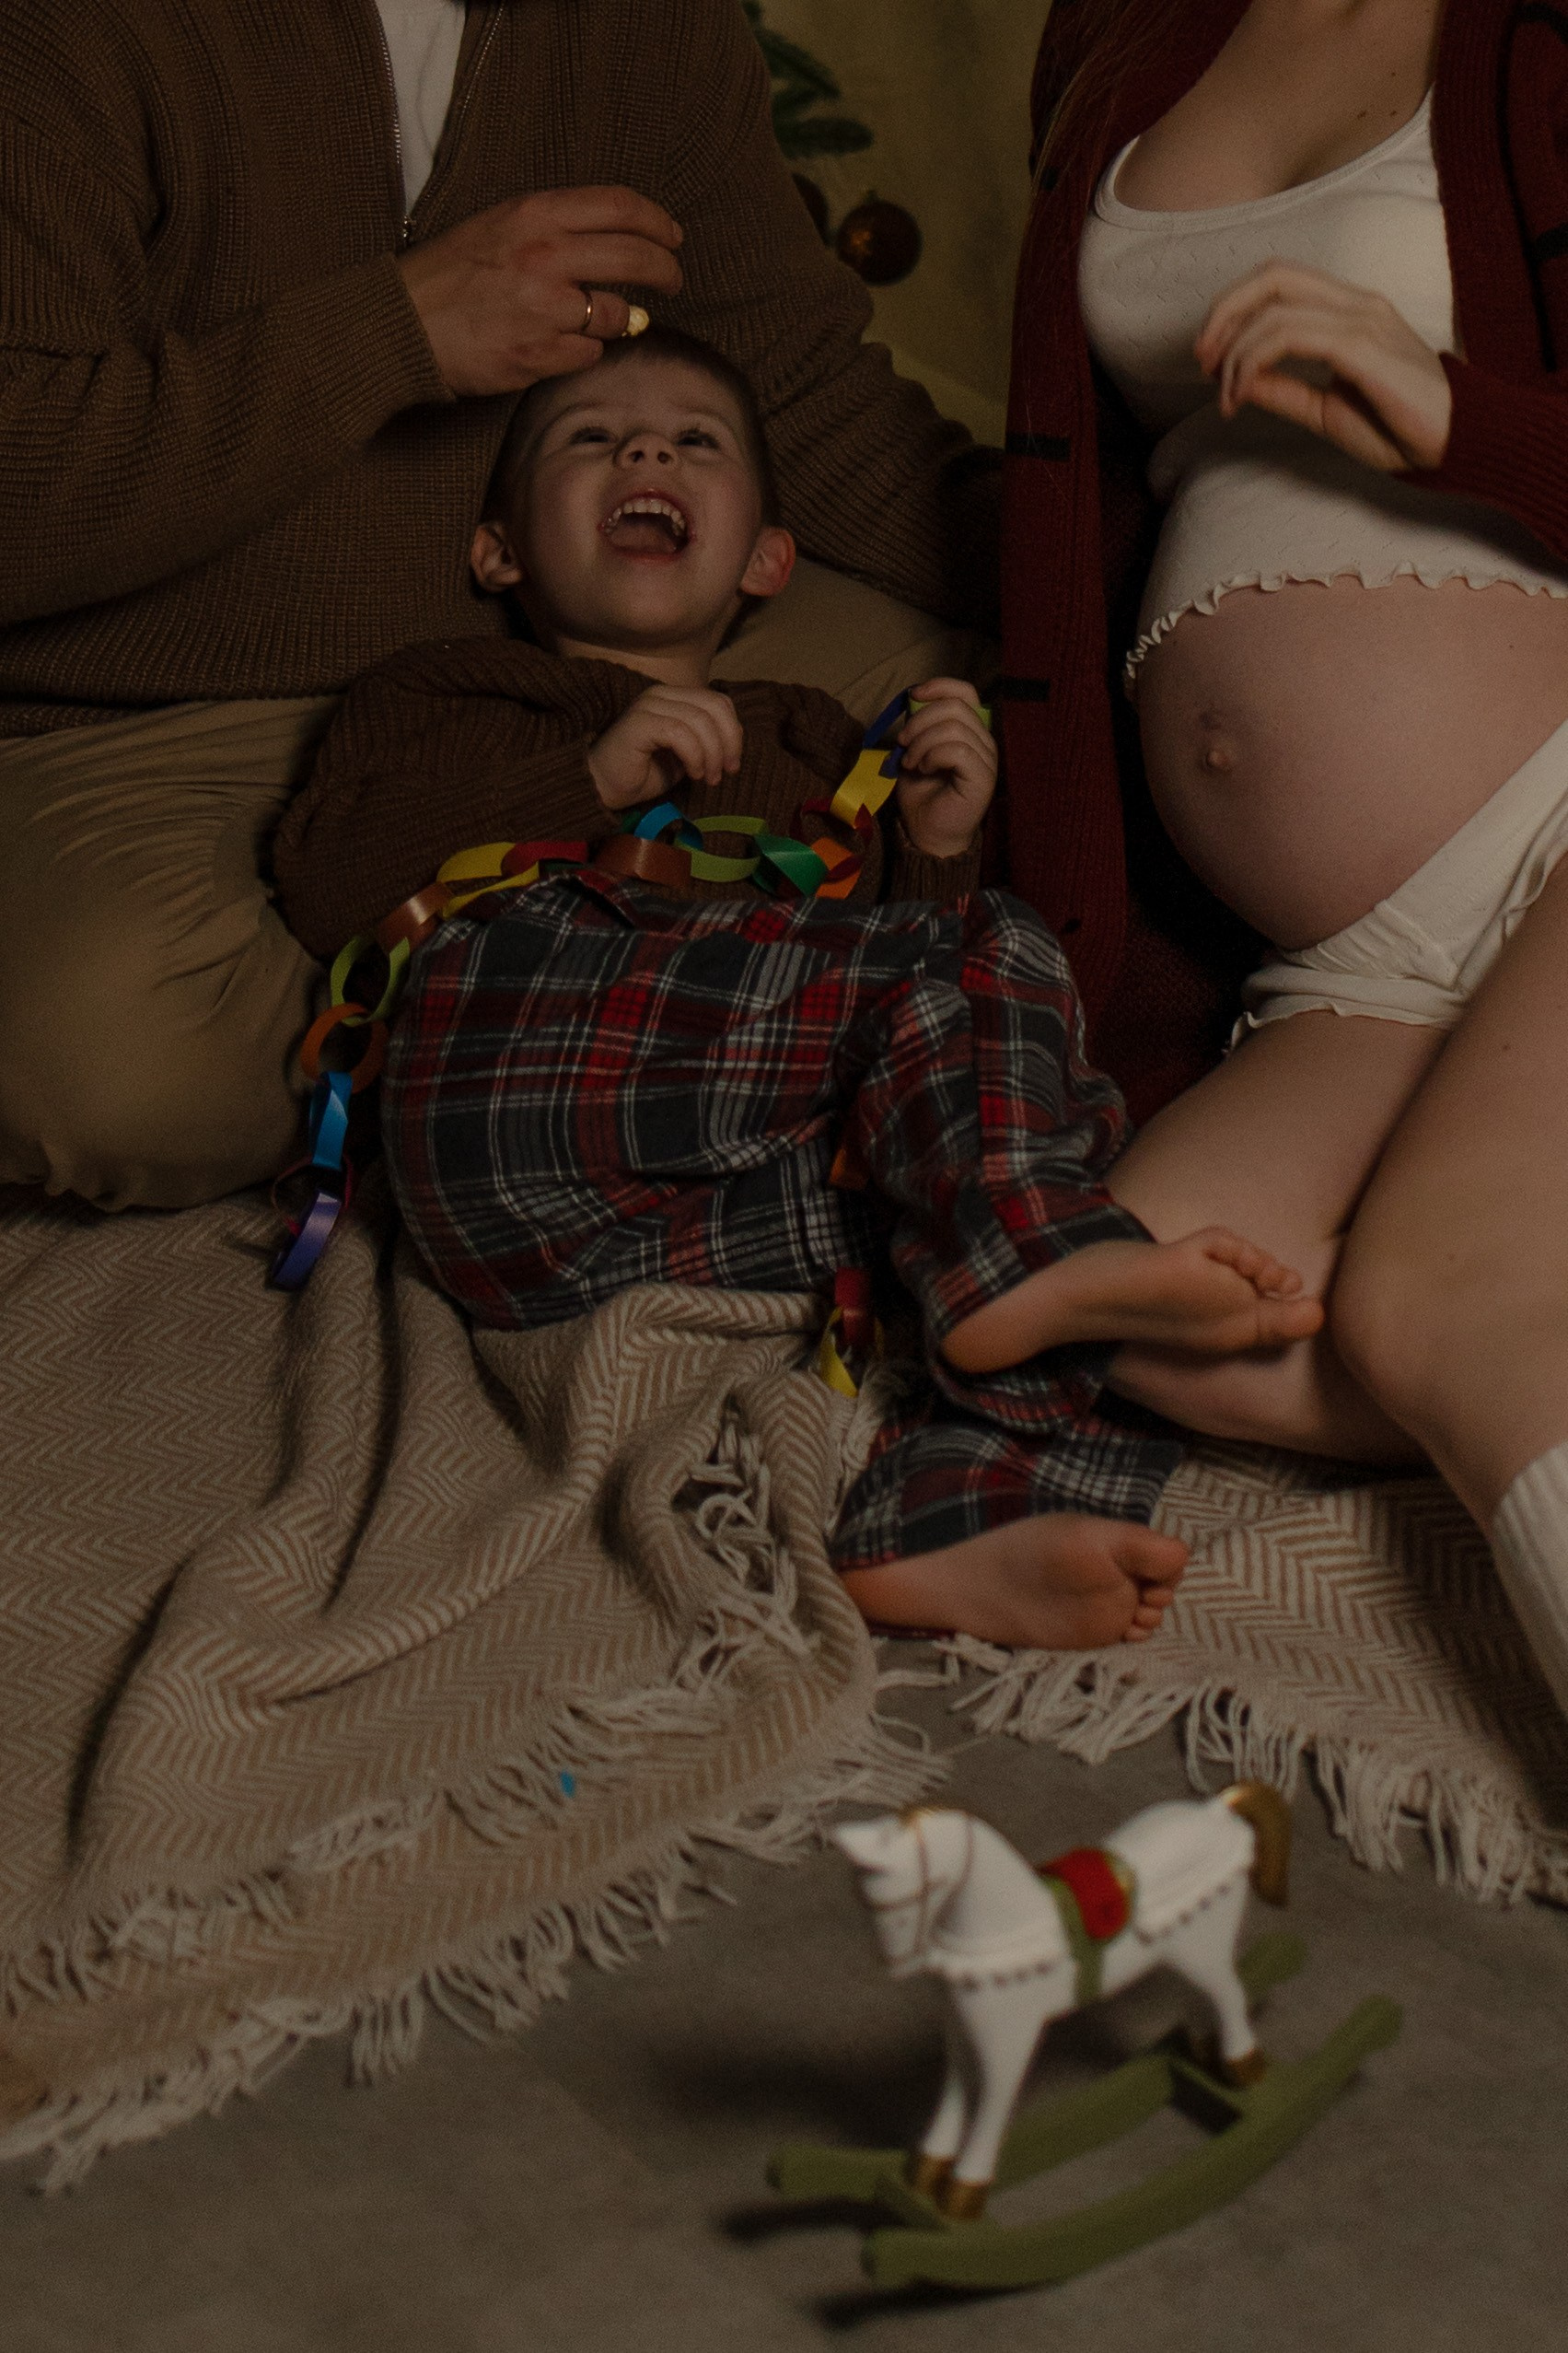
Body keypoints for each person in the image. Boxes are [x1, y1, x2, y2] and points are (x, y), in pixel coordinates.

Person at [273, 328, 1324, 1646]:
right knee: (998, 997)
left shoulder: (812, 741)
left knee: (1052, 1143)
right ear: (498, 551)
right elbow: (327, 878)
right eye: (593, 438)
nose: (647, 449)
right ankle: (1025, 1257)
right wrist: (587, 781)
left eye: (694, 442)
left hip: (680, 1218)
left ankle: (946, 1513)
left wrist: (934, 846)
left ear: (767, 558)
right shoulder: (451, 691)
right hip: (502, 1106)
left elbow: (914, 1031)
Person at [0, 0, 997, 1214]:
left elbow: (790, 379)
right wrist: (399, 330)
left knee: (989, 701)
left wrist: (1097, 565)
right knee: (112, 1074)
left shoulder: (653, 28)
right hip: (153, 721)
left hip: (552, 651)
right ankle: (582, 1065)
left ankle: (645, 1019)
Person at [997, 0, 1568, 1708]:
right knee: (1135, 1282)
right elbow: (1068, 508)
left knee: (1435, 1300)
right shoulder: (1124, 29)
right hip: (1364, 965)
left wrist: (1457, 419)